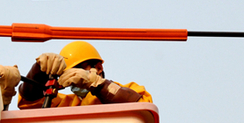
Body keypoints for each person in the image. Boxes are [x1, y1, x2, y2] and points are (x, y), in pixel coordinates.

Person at [18, 41, 152, 109]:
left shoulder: (130, 91)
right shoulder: (66, 104)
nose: (72, 76)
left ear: (98, 68)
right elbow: (29, 102)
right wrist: (38, 70)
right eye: (67, 72)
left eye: (78, 69)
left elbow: (142, 106)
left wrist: (97, 84)